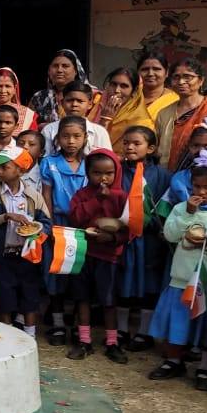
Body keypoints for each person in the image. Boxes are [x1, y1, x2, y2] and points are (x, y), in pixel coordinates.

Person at [149, 158, 207, 388]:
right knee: (177, 323)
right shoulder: (181, 208)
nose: (201, 192)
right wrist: (189, 214)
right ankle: (174, 360)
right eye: (197, 186)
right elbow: (171, 235)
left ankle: (204, 367)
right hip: (181, 279)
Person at [0, 145, 51, 335]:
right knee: (5, 298)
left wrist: (37, 230)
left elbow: (46, 222)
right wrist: (5, 217)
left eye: (5, 167)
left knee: (30, 296)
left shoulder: (32, 195)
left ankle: (30, 334)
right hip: (3, 254)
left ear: (20, 170)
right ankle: (8, 334)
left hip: (27, 255)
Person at [65, 149, 129, 363]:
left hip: (109, 256)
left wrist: (112, 238)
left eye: (109, 173)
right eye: (97, 173)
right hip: (84, 252)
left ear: (116, 173)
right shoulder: (83, 195)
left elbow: (130, 229)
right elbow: (75, 218)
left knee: (108, 300)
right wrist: (96, 201)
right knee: (82, 297)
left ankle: (112, 342)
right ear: (88, 173)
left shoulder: (121, 197)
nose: (103, 178)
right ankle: (84, 341)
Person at [115, 126, 170, 354]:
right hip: (124, 237)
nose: (130, 147)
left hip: (149, 239)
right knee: (122, 280)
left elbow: (166, 204)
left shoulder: (162, 175)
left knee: (149, 283)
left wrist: (152, 222)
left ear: (151, 148)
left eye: (136, 143)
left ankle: (144, 332)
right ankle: (121, 329)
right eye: (126, 142)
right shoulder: (117, 171)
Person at [40, 116, 89, 346]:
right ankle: (58, 323)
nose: (71, 141)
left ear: (85, 138)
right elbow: (46, 195)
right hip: (58, 223)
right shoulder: (49, 163)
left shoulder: (91, 163)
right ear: (57, 138)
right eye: (65, 136)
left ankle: (80, 326)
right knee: (56, 273)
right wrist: (49, 225)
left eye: (77, 136)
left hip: (83, 225)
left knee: (80, 276)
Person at [155, 58, 207, 170]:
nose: (181, 82)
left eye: (187, 77)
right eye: (176, 77)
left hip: (206, 172)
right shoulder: (164, 113)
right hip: (168, 172)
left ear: (201, 80)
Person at [106, 54, 177, 142]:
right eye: (145, 69)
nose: (150, 74)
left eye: (156, 69)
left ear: (166, 73)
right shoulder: (125, 96)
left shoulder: (175, 100)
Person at [40, 80, 112, 156]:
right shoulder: (49, 130)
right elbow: (44, 158)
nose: (74, 104)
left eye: (80, 101)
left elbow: (107, 159)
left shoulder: (100, 132)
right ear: (62, 103)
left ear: (90, 104)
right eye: (69, 100)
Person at [29, 49, 95, 128]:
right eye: (55, 66)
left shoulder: (94, 95)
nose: (59, 70)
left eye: (65, 66)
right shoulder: (39, 97)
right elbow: (29, 126)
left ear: (76, 71)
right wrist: (44, 128)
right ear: (49, 71)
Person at [17, 129, 46, 197]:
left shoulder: (45, 176)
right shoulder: (6, 171)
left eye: (31, 144)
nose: (25, 147)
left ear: (41, 153)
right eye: (21, 143)